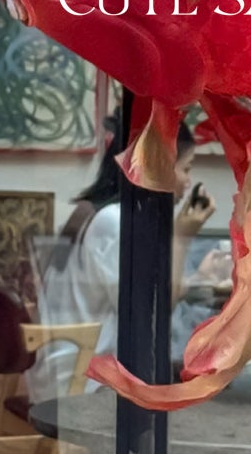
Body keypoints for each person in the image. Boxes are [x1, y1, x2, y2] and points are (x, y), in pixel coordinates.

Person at [26, 113, 231, 402]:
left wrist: (197, 278)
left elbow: (143, 295)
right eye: (185, 168)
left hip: (67, 368)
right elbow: (152, 312)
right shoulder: (115, 221)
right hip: (79, 382)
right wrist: (182, 235)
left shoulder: (98, 211)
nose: (188, 182)